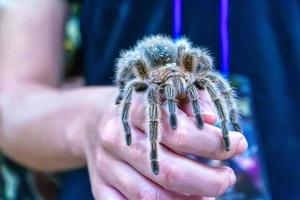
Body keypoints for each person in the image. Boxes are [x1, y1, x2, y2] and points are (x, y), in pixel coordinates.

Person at [0, 1, 247, 199]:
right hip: (105, 188)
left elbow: (202, 65)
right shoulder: (145, 75)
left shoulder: (186, 64)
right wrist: (94, 118)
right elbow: (9, 103)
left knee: (212, 82)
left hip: (281, 176)